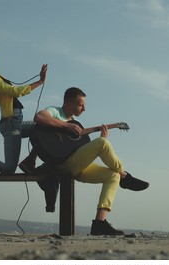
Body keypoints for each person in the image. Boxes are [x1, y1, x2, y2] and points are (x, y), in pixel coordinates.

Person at [20, 87, 149, 235]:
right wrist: (66, 125)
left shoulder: (77, 124)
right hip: (63, 163)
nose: (84, 109)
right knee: (102, 144)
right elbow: (39, 117)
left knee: (113, 175)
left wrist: (103, 138)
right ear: (68, 103)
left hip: (76, 165)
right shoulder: (56, 112)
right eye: (81, 105)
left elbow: (81, 149)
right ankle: (125, 176)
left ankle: (99, 223)